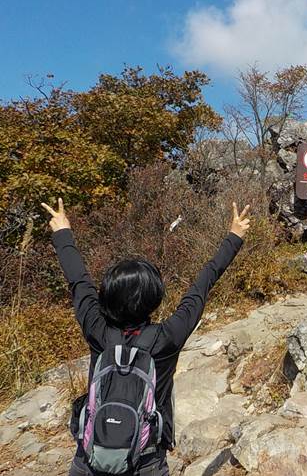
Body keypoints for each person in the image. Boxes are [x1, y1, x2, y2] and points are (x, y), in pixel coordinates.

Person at [41, 198, 251, 476]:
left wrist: (63, 233)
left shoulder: (97, 330)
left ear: (106, 296)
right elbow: (203, 284)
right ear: (155, 298)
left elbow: (78, 281)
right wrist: (233, 237)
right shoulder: (167, 338)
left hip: (90, 458)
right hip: (146, 460)